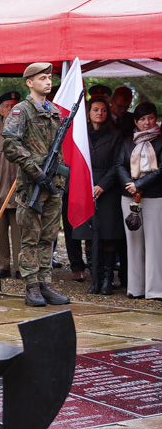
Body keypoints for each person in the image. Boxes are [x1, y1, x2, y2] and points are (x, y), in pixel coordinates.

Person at [2, 62, 70, 307]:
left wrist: (51, 176)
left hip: (53, 183)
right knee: (30, 236)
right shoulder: (22, 111)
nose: (48, 82)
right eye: (42, 78)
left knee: (49, 236)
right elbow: (10, 144)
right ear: (29, 82)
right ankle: (31, 286)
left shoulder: (53, 110)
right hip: (33, 184)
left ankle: (45, 283)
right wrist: (34, 170)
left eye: (49, 78)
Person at [115, 102, 162, 300]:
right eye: (142, 119)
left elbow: (161, 169)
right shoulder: (127, 141)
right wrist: (129, 183)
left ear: (155, 118)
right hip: (129, 197)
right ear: (135, 121)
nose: (147, 122)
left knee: (154, 243)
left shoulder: (161, 141)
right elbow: (119, 164)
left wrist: (140, 184)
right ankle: (135, 288)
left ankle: (155, 290)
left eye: (150, 118)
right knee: (133, 242)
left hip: (153, 196)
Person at [78, 96, 124, 295]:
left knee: (108, 235)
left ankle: (107, 279)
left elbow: (117, 164)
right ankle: (94, 277)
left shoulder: (115, 135)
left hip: (108, 189)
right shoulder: (81, 135)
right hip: (85, 187)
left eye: (103, 110)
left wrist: (102, 186)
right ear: (88, 112)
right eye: (95, 109)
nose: (100, 113)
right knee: (88, 235)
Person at [0, 91, 21, 280]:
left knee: (20, 235)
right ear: (0, 110)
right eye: (7, 106)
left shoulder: (24, 129)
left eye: (15, 105)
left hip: (18, 192)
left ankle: (20, 267)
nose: (11, 109)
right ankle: (2, 266)